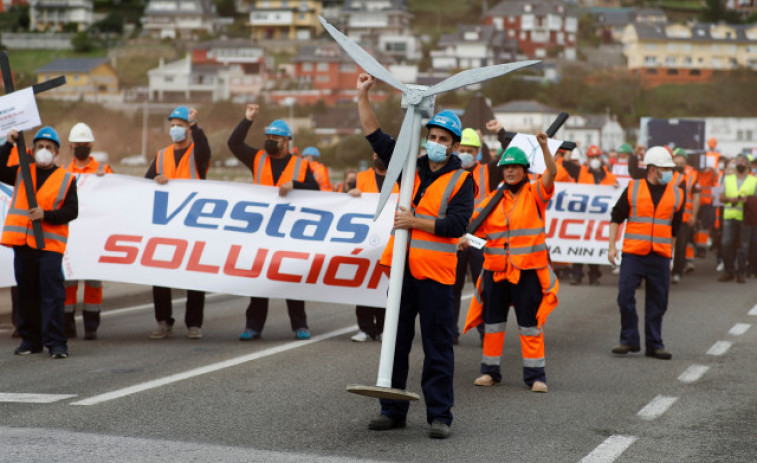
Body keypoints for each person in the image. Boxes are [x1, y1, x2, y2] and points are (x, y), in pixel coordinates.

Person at [357, 72, 475, 439]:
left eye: (443, 140)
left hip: (437, 276)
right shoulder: (411, 165)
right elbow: (375, 137)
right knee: (395, 341)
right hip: (404, 271)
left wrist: (414, 221)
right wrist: (363, 96)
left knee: (438, 347)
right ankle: (392, 409)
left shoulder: (462, 180)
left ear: (455, 146)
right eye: (433, 137)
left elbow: (456, 225)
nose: (436, 143)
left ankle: (440, 416)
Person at [463, 137, 560, 393]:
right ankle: (489, 372)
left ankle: (536, 376)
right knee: (493, 324)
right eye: (507, 167)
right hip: (496, 271)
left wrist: (545, 148)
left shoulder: (536, 193)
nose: (510, 170)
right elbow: (475, 228)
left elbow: (552, 172)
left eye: (516, 166)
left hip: (527, 271)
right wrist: (465, 240)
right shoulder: (493, 200)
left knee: (530, 325)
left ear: (525, 170)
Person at [227, 104, 319, 341]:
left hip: (291, 232)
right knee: (259, 281)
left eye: (276, 137)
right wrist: (248, 119)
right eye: (268, 136)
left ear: (287, 141)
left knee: (292, 280)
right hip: (262, 231)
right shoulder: (257, 158)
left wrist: (295, 185)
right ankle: (253, 326)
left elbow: (317, 191)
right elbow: (234, 144)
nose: (270, 140)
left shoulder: (300, 165)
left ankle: (300, 325)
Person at [1, 127, 78, 358]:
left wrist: (46, 215)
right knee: (27, 293)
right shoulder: (22, 171)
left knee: (52, 295)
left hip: (49, 247)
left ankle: (56, 343)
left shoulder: (66, 179)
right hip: (23, 243)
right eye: (40, 147)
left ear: (56, 153)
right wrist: (8, 145)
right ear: (33, 150)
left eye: (49, 148)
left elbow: (71, 211)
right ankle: (30, 340)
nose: (44, 151)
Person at [608, 146, 685, 360]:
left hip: (660, 255)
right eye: (666, 168)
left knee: (658, 301)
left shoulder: (677, 193)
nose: (671, 172)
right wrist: (611, 246)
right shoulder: (633, 188)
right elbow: (616, 217)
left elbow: (675, 228)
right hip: (633, 254)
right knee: (625, 296)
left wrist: (670, 254)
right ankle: (629, 340)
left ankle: (654, 344)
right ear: (652, 169)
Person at [145, 106, 210, 340]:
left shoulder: (197, 152)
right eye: (172, 125)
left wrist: (196, 126)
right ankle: (163, 320)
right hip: (167, 223)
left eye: (179, 125)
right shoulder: (161, 155)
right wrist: (155, 178)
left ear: (188, 128)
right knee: (160, 275)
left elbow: (205, 148)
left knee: (194, 274)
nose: (175, 129)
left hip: (192, 223)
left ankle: (194, 323)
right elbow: (144, 183)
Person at [62, 122, 113, 340]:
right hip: (70, 237)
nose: (81, 147)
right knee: (68, 283)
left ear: (91, 145)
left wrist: (106, 182)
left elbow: (117, 196)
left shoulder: (103, 171)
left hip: (94, 236)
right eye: (77, 144)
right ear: (70, 147)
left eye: (84, 144)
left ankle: (91, 325)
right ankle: (67, 324)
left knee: (93, 283)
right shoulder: (63, 173)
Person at [348, 154, 397, 342]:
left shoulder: (401, 179)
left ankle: (385, 328)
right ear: (372, 155)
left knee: (387, 286)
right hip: (366, 242)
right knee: (365, 284)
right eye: (377, 152)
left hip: (390, 241)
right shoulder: (361, 178)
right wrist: (351, 195)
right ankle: (366, 328)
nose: (379, 156)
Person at [562, 145, 618, 285]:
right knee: (579, 246)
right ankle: (576, 274)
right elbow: (565, 163)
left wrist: (616, 188)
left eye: (597, 157)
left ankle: (594, 275)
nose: (594, 160)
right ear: (588, 159)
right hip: (582, 218)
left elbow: (615, 195)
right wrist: (570, 148)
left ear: (601, 158)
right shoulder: (580, 172)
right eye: (592, 157)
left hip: (599, 219)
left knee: (595, 245)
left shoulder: (610, 177)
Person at [718, 154, 756, 283]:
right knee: (726, 243)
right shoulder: (728, 179)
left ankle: (741, 272)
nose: (740, 164)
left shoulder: (754, 181)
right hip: (729, 215)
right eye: (738, 162)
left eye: (743, 162)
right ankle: (729, 270)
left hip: (746, 217)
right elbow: (721, 197)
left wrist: (747, 200)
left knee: (744, 245)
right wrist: (729, 199)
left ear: (748, 166)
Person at [671, 148, 700, 284]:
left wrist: (694, 215)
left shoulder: (692, 175)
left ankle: (677, 271)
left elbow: (696, 196)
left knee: (681, 245)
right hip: (666, 215)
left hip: (683, 216)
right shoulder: (666, 171)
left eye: (682, 160)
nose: (679, 162)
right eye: (677, 159)